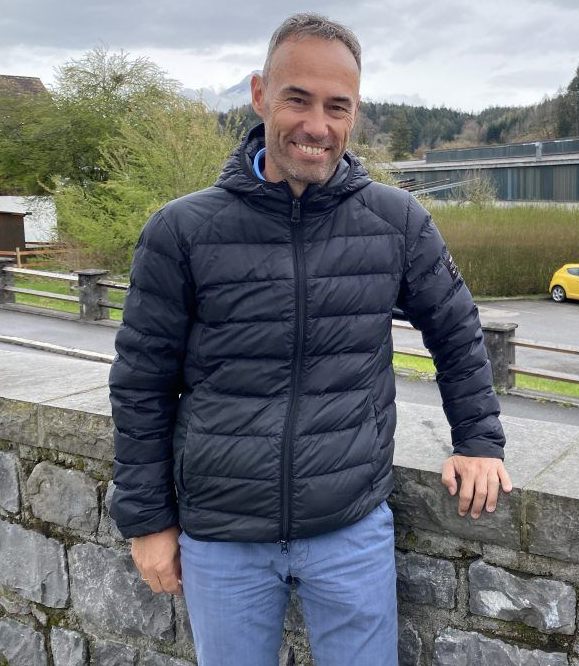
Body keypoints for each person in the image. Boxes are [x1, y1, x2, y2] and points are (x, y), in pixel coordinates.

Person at [108, 12, 510, 666]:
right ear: (259, 94)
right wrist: (148, 520)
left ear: (354, 113)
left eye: (336, 106)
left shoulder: (396, 222)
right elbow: (141, 386)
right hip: (221, 537)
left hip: (349, 530)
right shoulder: (181, 232)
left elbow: (457, 330)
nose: (317, 125)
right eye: (297, 99)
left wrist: (479, 441)